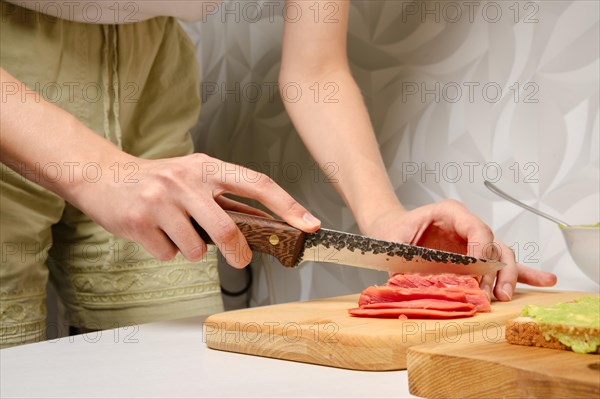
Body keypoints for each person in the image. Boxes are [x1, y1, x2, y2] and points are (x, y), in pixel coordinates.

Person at [0, 0, 556, 348]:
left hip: (153, 81)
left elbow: (316, 69)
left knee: (171, 365)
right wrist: (102, 170)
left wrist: (386, 219)